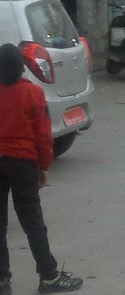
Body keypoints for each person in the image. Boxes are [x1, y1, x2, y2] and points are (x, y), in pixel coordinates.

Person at [0, 44, 83, 294]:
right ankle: (48, 277)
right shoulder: (33, 93)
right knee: (32, 222)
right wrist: (43, 166)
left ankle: (2, 281)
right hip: (24, 164)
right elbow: (43, 136)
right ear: (21, 68)